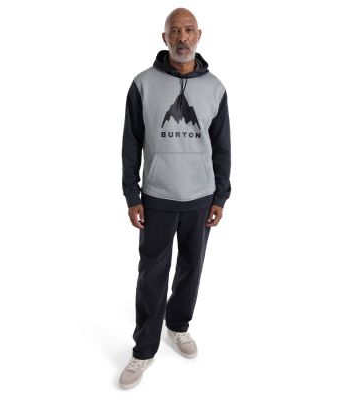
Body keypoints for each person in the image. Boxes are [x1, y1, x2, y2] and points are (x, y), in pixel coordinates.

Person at [119, 7, 231, 389]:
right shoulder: (142, 84)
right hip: (157, 197)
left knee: (191, 267)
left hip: (200, 196)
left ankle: (178, 324)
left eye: (188, 30)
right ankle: (144, 349)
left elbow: (222, 147)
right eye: (175, 31)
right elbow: (131, 144)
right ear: (164, 38)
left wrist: (221, 196)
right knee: (152, 273)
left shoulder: (215, 88)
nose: (182, 38)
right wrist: (131, 194)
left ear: (198, 35)